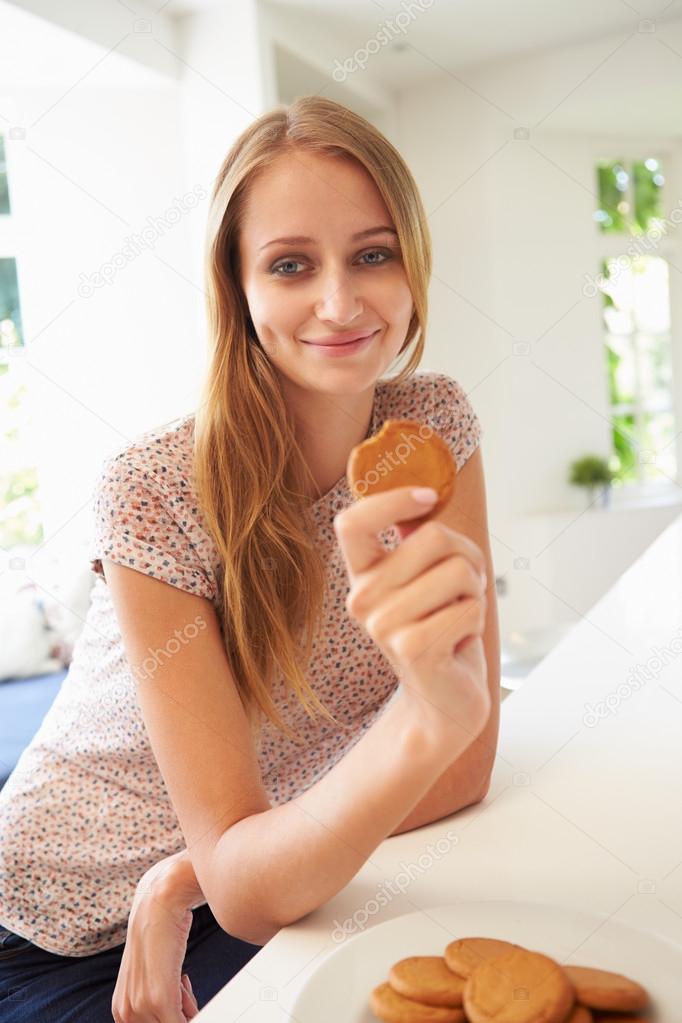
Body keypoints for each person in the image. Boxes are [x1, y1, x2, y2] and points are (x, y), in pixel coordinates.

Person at [0, 95, 500, 1021]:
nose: (341, 301)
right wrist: (225, 871)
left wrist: (188, 876)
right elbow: (429, 749)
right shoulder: (154, 491)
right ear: (237, 288)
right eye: (290, 265)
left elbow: (463, 756)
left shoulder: (433, 432)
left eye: (373, 253)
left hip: (253, 877)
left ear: (414, 264)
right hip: (55, 919)